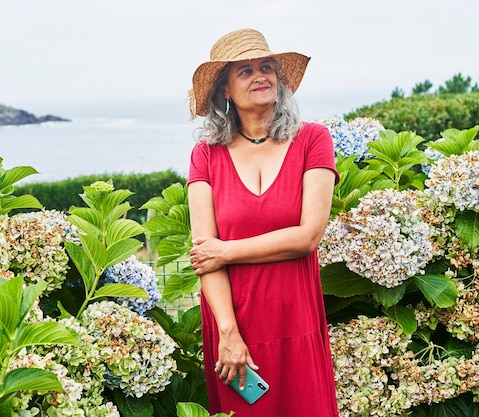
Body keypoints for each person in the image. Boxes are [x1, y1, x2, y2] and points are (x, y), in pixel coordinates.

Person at [187, 28, 340, 417]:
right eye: (245, 71)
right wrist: (227, 332)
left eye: (266, 67)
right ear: (224, 89)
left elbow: (309, 235)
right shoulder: (205, 155)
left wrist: (227, 251)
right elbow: (206, 257)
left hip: (296, 316)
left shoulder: (313, 140)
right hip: (234, 323)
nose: (260, 76)